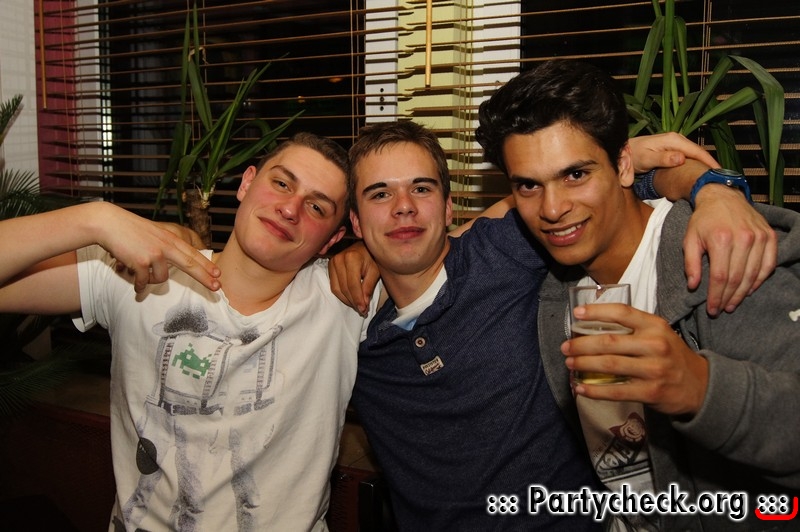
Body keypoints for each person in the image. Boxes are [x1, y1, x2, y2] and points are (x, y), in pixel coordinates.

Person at [332, 120, 775, 530]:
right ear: (355, 221)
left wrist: (713, 190)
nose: (404, 207)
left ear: (448, 208)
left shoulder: (501, 252)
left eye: (421, 188)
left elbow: (603, 199)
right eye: (380, 195)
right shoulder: (346, 323)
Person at [475, 59, 800, 530]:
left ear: (623, 165)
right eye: (528, 184)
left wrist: (700, 388)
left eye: (575, 175)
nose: (552, 208)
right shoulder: (555, 291)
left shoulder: (718, 255)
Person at [0, 132, 370, 531]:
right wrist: (95, 219)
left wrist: (373, 252)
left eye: (316, 207)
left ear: (332, 239)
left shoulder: (345, 299)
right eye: (281, 183)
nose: (290, 209)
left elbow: (420, 247)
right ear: (246, 183)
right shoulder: (141, 273)